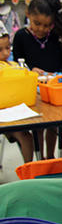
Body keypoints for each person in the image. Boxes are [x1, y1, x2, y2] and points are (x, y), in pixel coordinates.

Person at [12, 0, 62, 159]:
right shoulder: (21, 37)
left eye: (47, 25)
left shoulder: (59, 36)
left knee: (53, 124)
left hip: (55, 89)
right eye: (36, 23)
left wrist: (57, 74)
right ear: (28, 14)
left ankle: (50, 158)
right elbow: (18, 64)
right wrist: (31, 71)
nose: (41, 29)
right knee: (38, 125)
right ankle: (39, 162)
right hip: (31, 90)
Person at [0, 20, 33, 163]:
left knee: (27, 136)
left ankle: (30, 172)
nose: (6, 53)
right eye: (0, 50)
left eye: (8, 47)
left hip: (15, 113)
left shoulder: (14, 65)